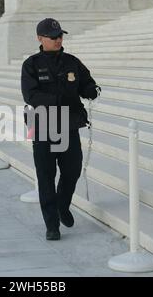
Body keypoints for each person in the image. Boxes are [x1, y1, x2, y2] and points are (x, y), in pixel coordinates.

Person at [21, 18, 101, 241]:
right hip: (43, 124)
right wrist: (59, 99)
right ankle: (52, 225)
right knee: (46, 176)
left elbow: (86, 82)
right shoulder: (31, 65)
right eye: (53, 37)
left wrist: (91, 89)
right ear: (40, 38)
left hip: (68, 124)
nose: (58, 40)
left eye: (60, 36)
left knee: (72, 169)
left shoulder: (72, 62)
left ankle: (62, 205)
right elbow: (31, 95)